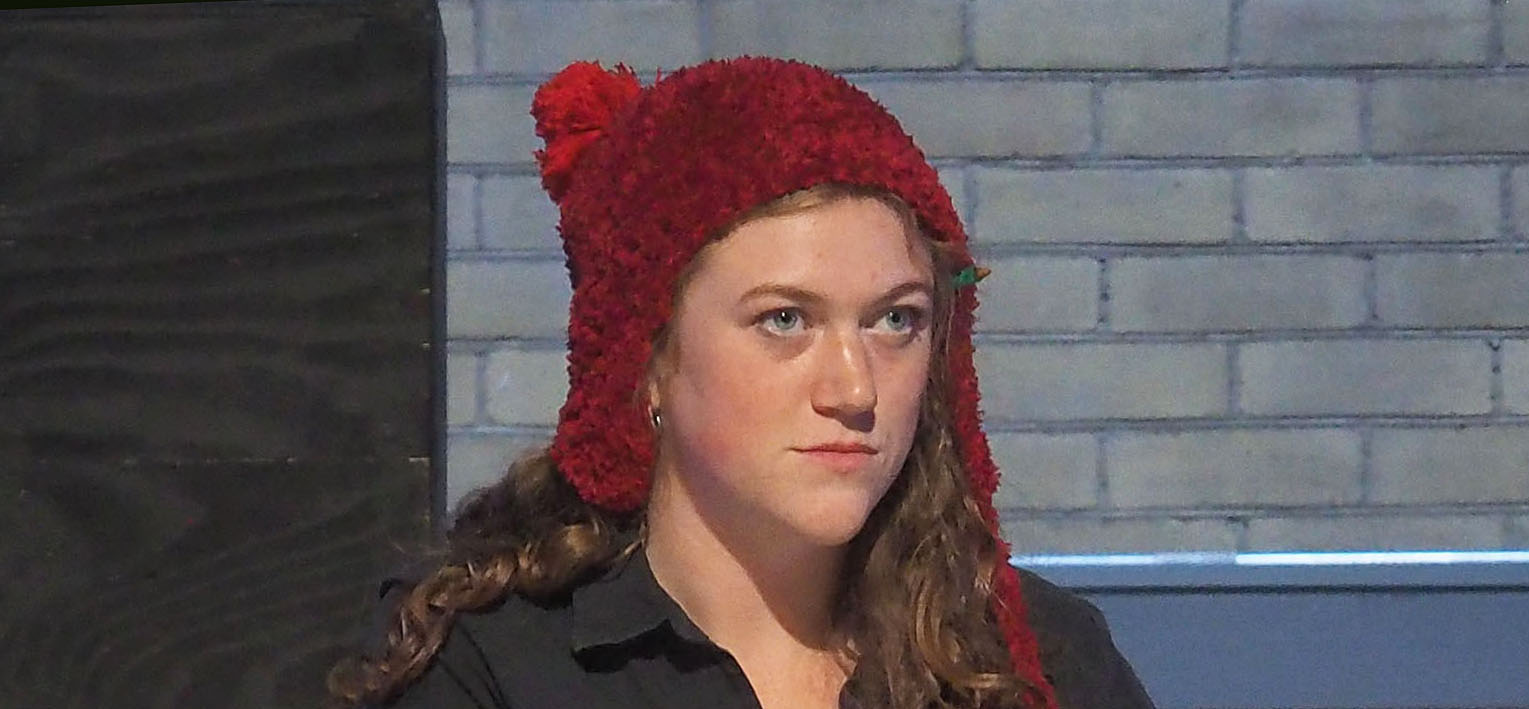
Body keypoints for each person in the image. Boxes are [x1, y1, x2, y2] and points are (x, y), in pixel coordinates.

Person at [329, 57, 1153, 709]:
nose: (853, 387)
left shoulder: (1032, 659)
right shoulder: (492, 667)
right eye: (785, 320)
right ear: (646, 359)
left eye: (894, 320)